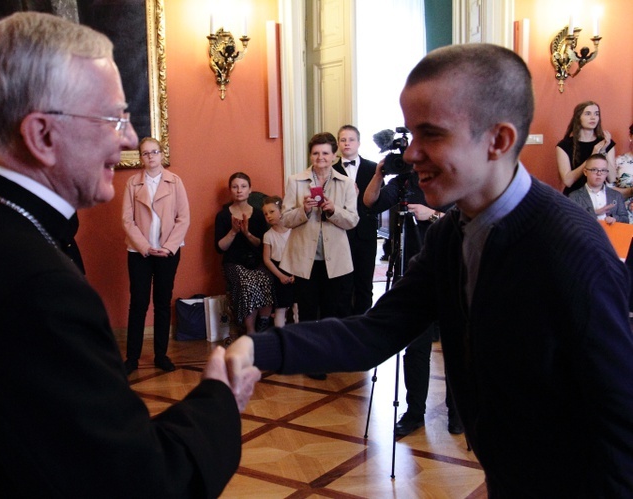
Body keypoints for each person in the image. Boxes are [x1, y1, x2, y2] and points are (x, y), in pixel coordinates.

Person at [226, 43, 633, 496]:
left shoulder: (572, 248)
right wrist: (255, 349)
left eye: (431, 134)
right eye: (409, 135)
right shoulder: (451, 235)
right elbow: (375, 333)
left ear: (497, 140)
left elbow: (619, 422)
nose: (412, 154)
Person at [0, 13, 260, 498]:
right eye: (114, 118)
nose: (129, 139)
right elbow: (141, 486)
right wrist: (220, 400)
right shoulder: (40, 288)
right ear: (42, 135)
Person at [362, 166, 462, 436]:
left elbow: (470, 220)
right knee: (416, 348)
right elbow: (371, 203)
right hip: (415, 274)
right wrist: (379, 174)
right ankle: (414, 412)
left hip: (452, 270)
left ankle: (458, 411)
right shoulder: (405, 181)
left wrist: (435, 215)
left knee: (455, 347)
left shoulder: (454, 175)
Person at [122, 137, 189, 374]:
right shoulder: (132, 183)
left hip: (167, 252)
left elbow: (183, 218)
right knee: (138, 303)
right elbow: (127, 220)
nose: (150, 157)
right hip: (139, 252)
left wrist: (169, 247)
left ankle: (161, 354)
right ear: (140, 158)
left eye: (154, 152)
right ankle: (132, 358)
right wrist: (143, 246)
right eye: (145, 153)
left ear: (161, 154)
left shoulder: (175, 181)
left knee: (162, 302)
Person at [281, 132, 359, 323]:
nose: (320, 158)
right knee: (306, 313)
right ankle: (307, 350)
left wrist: (334, 211)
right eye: (316, 153)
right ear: (310, 156)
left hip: (335, 261)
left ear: (334, 156)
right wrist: (304, 210)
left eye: (325, 153)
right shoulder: (295, 181)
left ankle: (329, 350)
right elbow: (285, 219)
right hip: (304, 260)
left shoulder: (347, 183)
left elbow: (352, 221)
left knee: (331, 313)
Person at [215, 172, 273, 333]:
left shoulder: (259, 214)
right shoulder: (223, 216)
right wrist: (233, 232)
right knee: (247, 284)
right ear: (230, 191)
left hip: (256, 262)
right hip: (234, 263)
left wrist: (247, 233)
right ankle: (250, 331)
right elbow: (220, 248)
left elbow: (262, 245)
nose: (239, 190)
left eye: (243, 186)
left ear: (250, 190)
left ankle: (263, 324)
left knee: (264, 280)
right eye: (235, 187)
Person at [332, 125, 379, 314]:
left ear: (358, 143)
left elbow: (378, 200)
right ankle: (344, 328)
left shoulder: (374, 168)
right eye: (343, 140)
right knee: (343, 283)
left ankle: (364, 324)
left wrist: (360, 197)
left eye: (351, 139)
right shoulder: (331, 169)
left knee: (365, 283)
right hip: (341, 233)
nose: (347, 143)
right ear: (338, 144)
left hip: (366, 232)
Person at [556, 100, 616, 195]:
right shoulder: (564, 145)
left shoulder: (605, 142)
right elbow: (567, 181)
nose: (593, 118)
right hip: (574, 197)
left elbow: (612, 178)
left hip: (599, 196)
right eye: (588, 114)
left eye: (596, 114)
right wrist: (593, 155)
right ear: (578, 117)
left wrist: (603, 152)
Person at [261, 196, 294, 327]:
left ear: (282, 210)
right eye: (265, 214)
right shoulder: (268, 235)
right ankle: (280, 336)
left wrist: (295, 274)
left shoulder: (293, 230)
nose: (268, 216)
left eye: (272, 212)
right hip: (278, 271)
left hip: (294, 269)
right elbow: (266, 259)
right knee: (280, 307)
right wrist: (280, 276)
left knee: (297, 305)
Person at [568, 153, 628, 224]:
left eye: (603, 170)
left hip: (611, 234)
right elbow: (570, 220)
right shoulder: (574, 197)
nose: (599, 173)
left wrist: (614, 218)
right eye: (594, 169)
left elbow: (625, 219)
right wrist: (595, 212)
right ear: (585, 172)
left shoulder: (616, 195)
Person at [614, 123, 633, 222]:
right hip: (624, 218)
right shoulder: (619, 161)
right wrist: (630, 191)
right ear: (631, 136)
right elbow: (606, 191)